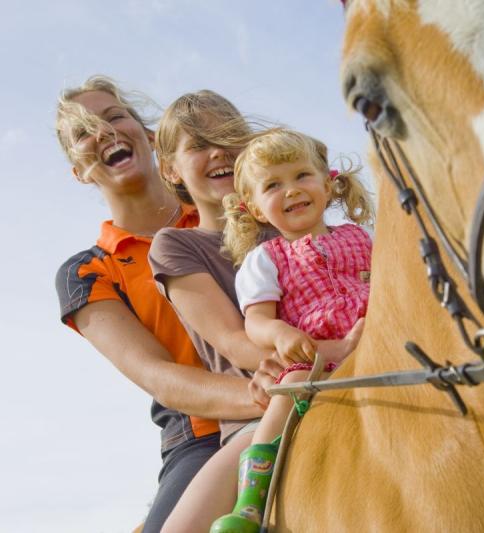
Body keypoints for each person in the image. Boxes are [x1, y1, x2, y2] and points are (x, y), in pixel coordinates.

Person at [54, 76, 267, 533]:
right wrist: (269, 393)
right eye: (84, 132)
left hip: (308, 379)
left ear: (149, 137)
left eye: (114, 117)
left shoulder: (227, 208)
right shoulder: (91, 270)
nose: (104, 133)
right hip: (207, 434)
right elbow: (159, 378)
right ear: (79, 170)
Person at [148, 97, 366, 531]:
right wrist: (335, 349)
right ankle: (249, 503)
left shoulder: (300, 217)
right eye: (199, 145)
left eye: (229, 136)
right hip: (262, 401)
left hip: (361, 360)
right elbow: (235, 341)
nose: (218, 151)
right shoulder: (178, 246)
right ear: (171, 170)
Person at [210, 127, 375, 531]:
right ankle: (252, 499)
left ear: (327, 183)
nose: (291, 190)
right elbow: (258, 321)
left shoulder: (364, 237)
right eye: (272, 185)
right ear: (255, 208)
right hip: (315, 355)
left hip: (375, 336)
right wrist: (282, 335)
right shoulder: (267, 258)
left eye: (301, 176)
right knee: (290, 387)